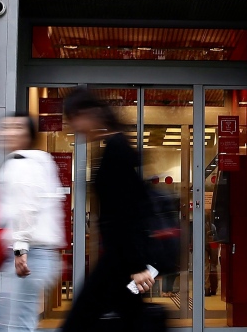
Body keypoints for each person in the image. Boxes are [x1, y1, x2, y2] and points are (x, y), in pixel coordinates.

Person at [59, 87, 157, 332]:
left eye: (74, 119)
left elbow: (127, 211)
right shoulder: (114, 146)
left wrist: (137, 265)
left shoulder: (116, 150)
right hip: (119, 260)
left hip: (119, 262)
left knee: (78, 322)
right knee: (131, 319)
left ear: (89, 114)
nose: (74, 127)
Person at [0, 114, 65, 332]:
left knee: (5, 324)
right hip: (36, 254)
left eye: (15, 127)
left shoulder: (23, 165)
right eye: (4, 127)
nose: (5, 132)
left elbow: (26, 208)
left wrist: (20, 250)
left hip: (29, 255)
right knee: (17, 320)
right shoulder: (40, 162)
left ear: (27, 135)